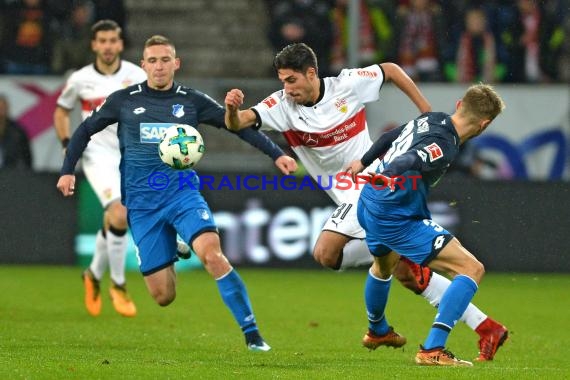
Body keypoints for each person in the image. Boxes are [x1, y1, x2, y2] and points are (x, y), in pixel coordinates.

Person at [225, 43, 508, 361]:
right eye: (282, 81)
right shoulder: (280, 105)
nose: (286, 88)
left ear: (311, 73)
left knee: (326, 253)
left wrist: (424, 109)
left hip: (372, 186)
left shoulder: (346, 85)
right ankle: (480, 327)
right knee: (399, 270)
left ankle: (415, 330)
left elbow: (391, 70)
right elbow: (238, 123)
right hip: (358, 189)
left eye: (291, 80)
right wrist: (233, 110)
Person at [57, 34, 295, 351]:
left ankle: (252, 334)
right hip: (142, 206)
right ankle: (174, 244)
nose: (159, 66)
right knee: (163, 296)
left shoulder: (191, 101)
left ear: (176, 63)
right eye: (152, 61)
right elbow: (85, 129)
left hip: (182, 193)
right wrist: (67, 170)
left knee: (212, 255)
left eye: (165, 59)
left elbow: (236, 127)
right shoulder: (124, 100)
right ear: (143, 65)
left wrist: (276, 153)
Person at [348, 83, 506, 366]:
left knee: (383, 267)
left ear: (459, 104)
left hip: (370, 202)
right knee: (471, 269)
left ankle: (377, 330)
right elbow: (413, 158)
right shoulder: (444, 145)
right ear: (484, 125)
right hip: (396, 214)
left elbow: (390, 136)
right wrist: (393, 173)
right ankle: (433, 349)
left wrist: (364, 161)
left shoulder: (431, 118)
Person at [53, 19, 147, 318]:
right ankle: (118, 284)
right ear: (94, 45)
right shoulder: (80, 79)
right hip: (96, 153)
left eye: (112, 41)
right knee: (119, 212)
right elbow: (61, 110)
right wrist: (68, 141)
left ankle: (93, 273)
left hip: (130, 153)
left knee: (114, 217)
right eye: (102, 41)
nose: (107, 46)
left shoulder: (136, 75)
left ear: (120, 44)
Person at [0, 95, 33, 169]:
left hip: (11, 175)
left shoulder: (18, 132)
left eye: (2, 108)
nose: (0, 111)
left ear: (7, 108)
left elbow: (26, 159)